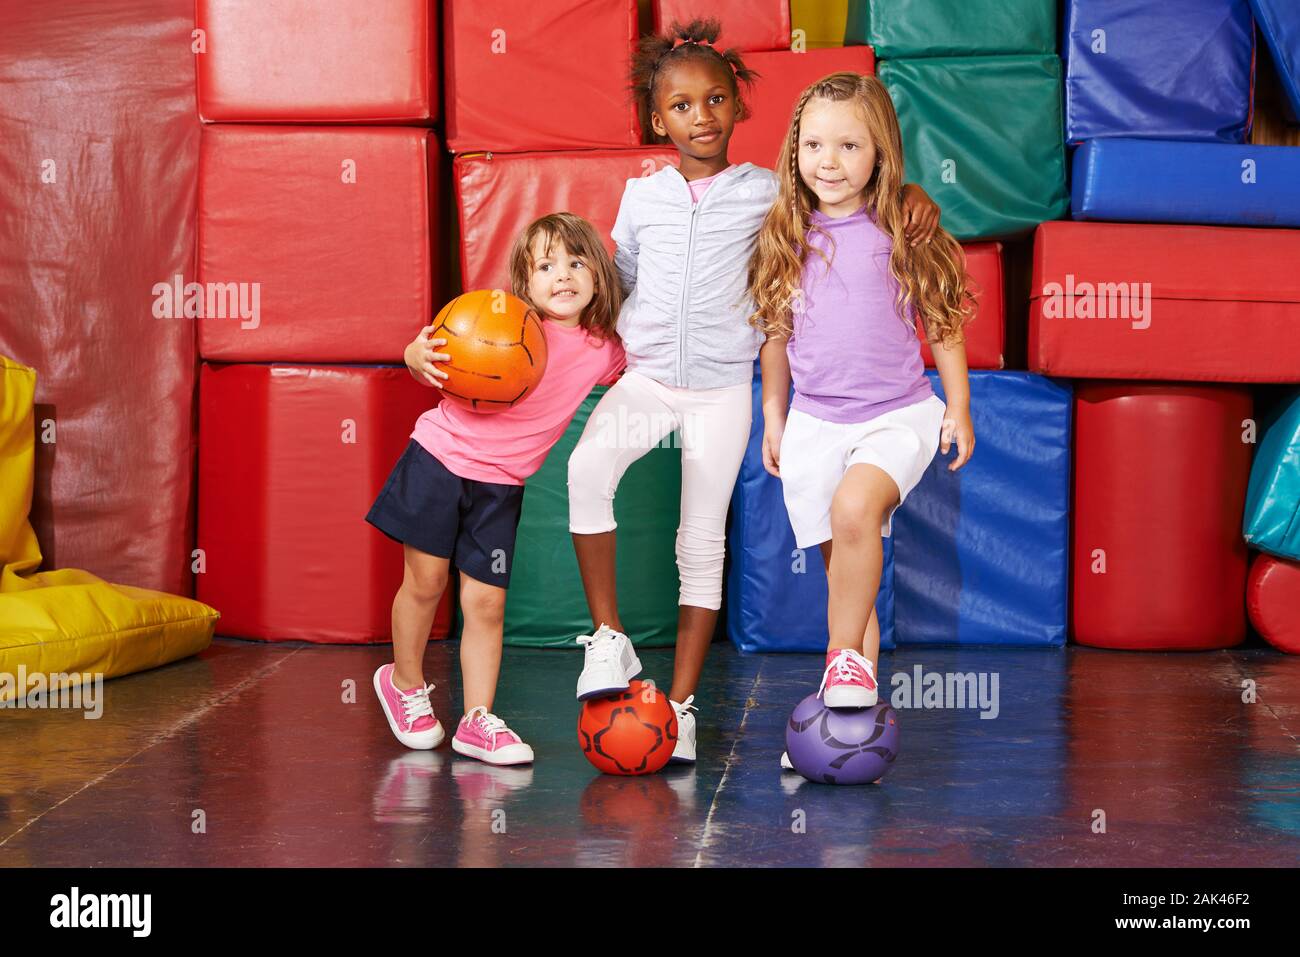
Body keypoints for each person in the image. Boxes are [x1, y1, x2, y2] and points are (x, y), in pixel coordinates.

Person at [568, 19, 942, 765]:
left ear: (739, 108)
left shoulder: (777, 196)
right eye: (680, 105)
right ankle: (608, 640)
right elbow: (623, 280)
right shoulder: (642, 198)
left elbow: (851, 198)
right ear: (656, 118)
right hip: (647, 379)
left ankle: (680, 706)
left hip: (720, 392)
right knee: (585, 471)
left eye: (714, 100)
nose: (699, 117)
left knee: (701, 542)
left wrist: (912, 196)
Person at [367, 213, 625, 765]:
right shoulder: (495, 322)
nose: (563, 276)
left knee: (485, 604)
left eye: (577, 263)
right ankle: (404, 681)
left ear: (599, 278)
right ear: (524, 282)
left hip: (501, 486)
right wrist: (414, 356)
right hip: (439, 460)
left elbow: (649, 371)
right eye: (547, 265)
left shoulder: (604, 350)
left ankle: (477, 719)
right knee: (426, 580)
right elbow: (428, 356)